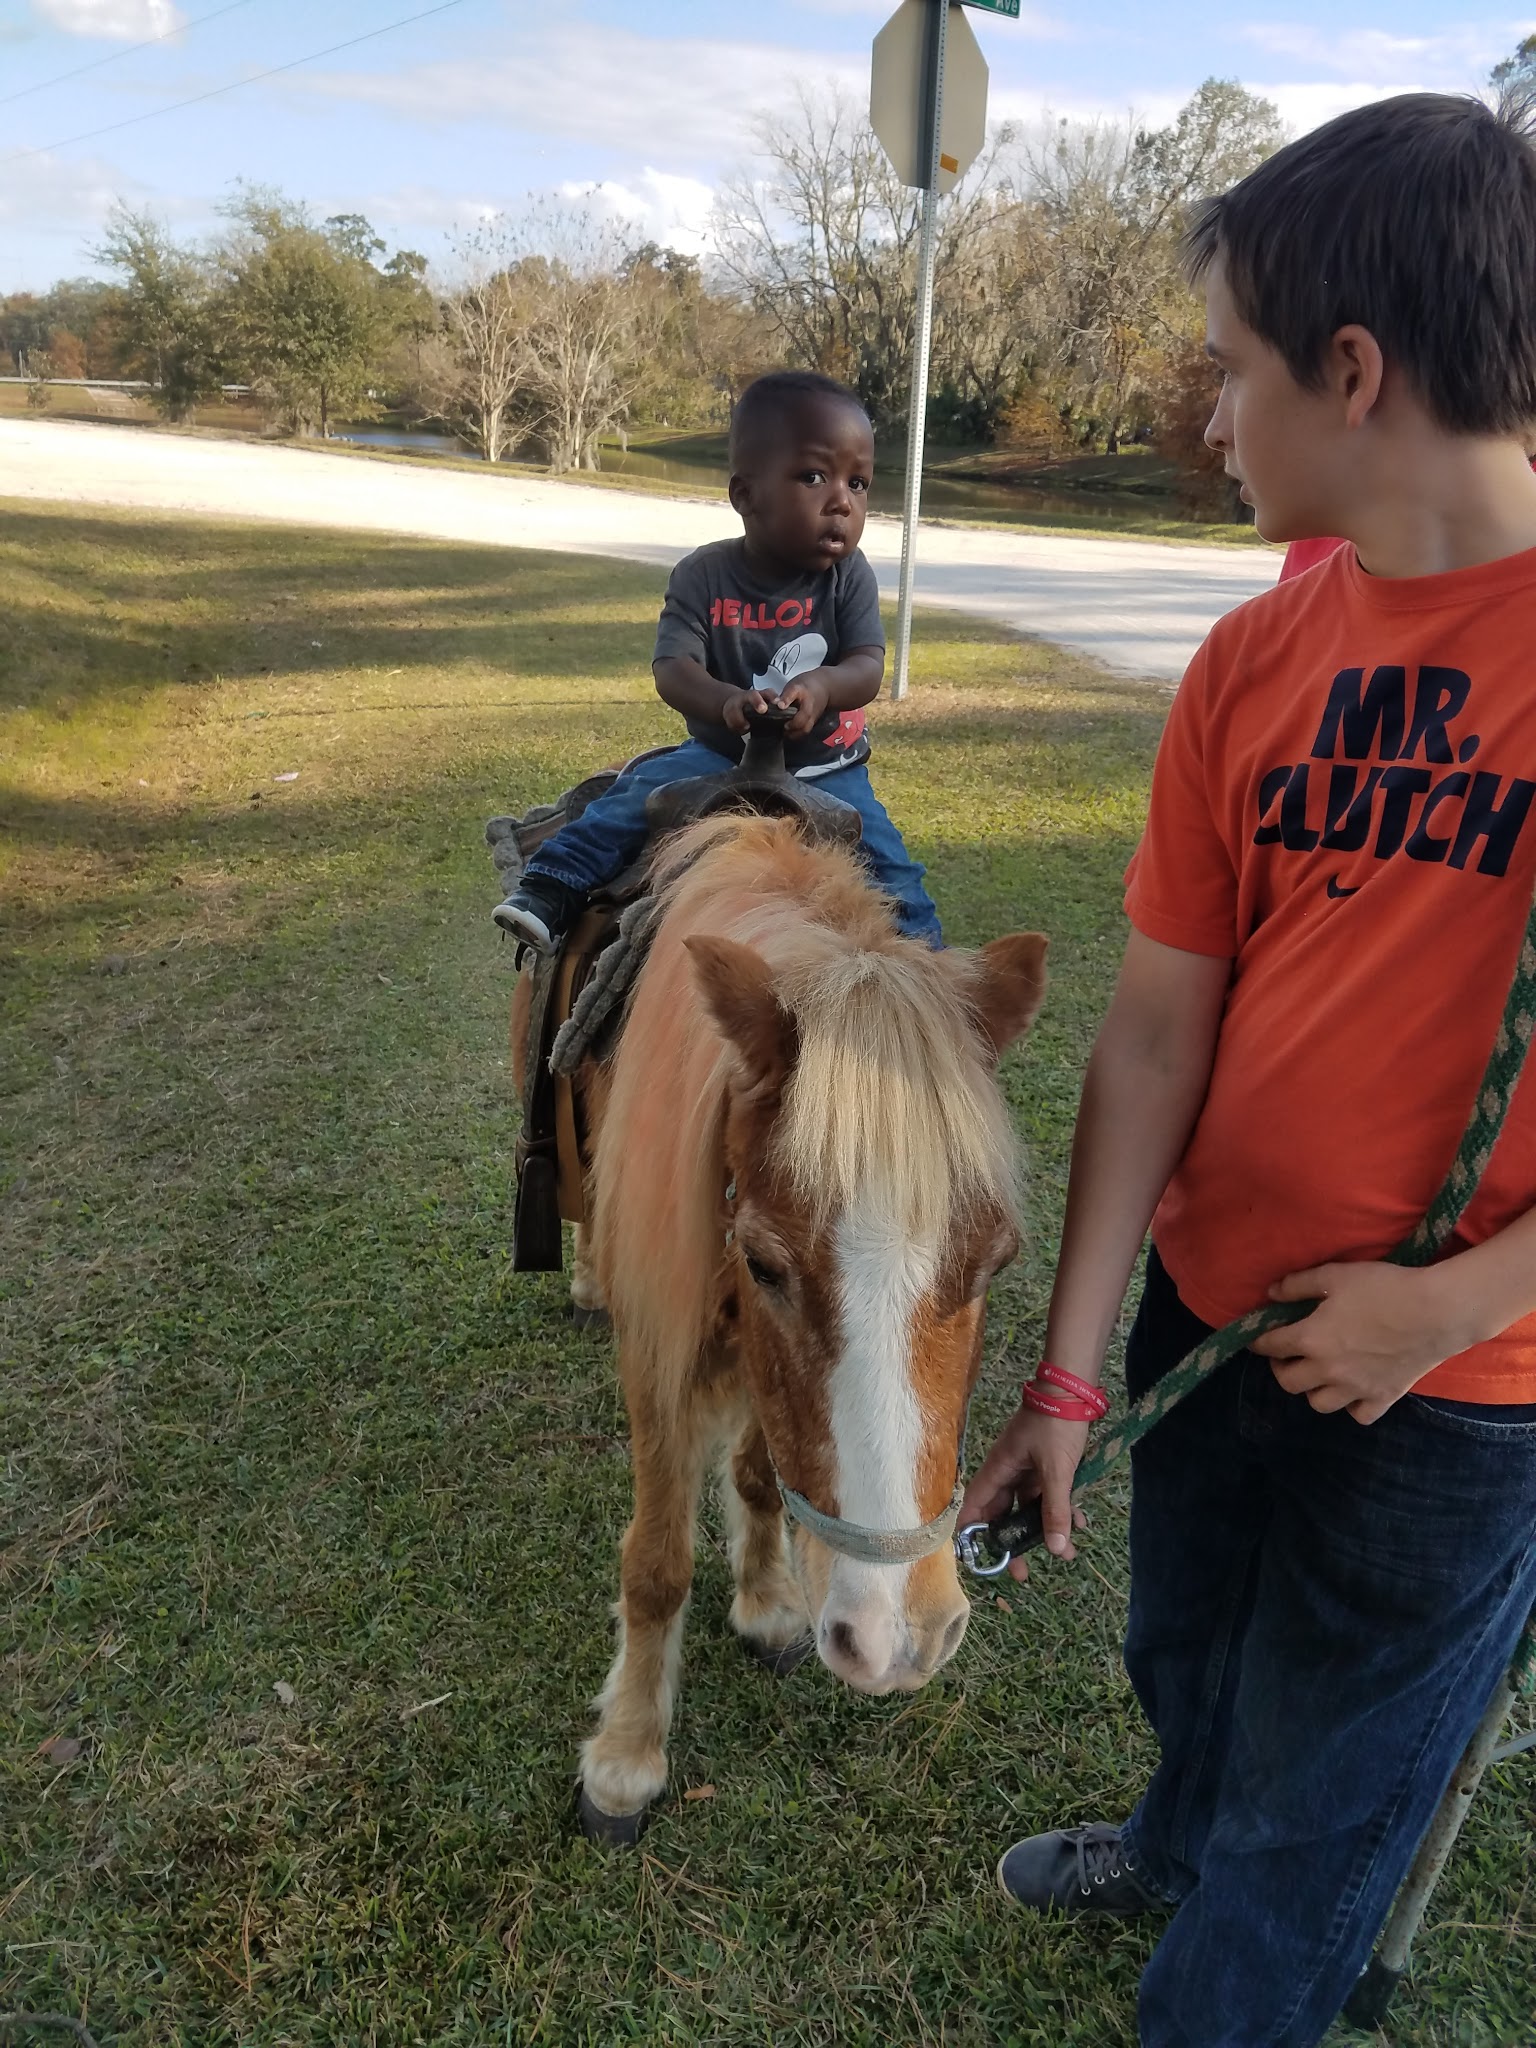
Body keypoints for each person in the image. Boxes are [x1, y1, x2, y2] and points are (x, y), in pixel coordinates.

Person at [960, 93, 1536, 2048]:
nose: (1213, 421)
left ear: (1351, 373)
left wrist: (1447, 1306)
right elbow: (1153, 1027)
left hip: (1460, 1393)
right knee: (1185, 1649)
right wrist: (1068, 1369)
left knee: (1323, 1803)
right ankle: (1171, 1834)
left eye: (1229, 371)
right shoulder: (1250, 661)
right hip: (1210, 1317)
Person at [492, 370, 941, 950]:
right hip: (721, 753)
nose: (841, 502)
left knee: (889, 864)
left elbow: (867, 666)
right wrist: (726, 702)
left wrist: (824, 687)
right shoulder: (702, 575)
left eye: (858, 484)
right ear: (745, 495)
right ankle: (550, 888)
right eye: (814, 476)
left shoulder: (848, 577)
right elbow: (674, 669)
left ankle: (928, 960)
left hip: (828, 765)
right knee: (627, 806)